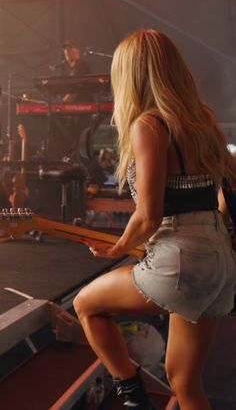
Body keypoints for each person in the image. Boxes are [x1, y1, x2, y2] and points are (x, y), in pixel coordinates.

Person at [73, 30, 236, 410]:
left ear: (130, 74)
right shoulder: (202, 120)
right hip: (220, 262)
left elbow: (148, 216)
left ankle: (132, 397)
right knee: (185, 382)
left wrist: (115, 248)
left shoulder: (148, 126)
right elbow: (227, 189)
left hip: (179, 259)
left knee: (86, 305)